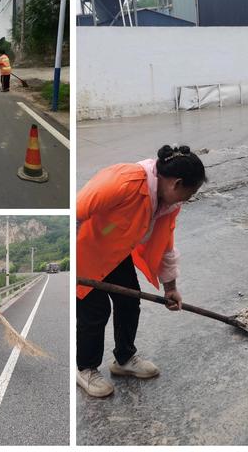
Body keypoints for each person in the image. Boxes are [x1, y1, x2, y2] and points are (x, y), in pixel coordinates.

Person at [76, 145, 207, 397]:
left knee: (129, 301)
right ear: (176, 183)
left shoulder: (167, 203)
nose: (187, 200)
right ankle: (86, 369)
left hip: (115, 254)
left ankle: (124, 359)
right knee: (95, 311)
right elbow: (76, 212)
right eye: (189, 194)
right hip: (84, 253)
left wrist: (171, 287)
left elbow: (165, 246)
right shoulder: (123, 181)